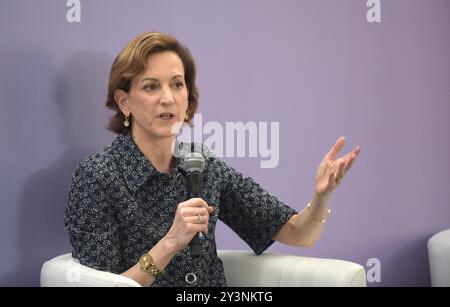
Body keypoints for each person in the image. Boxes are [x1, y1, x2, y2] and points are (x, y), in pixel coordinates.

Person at [64, 31, 361, 287]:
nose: (167, 98)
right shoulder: (97, 178)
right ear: (123, 101)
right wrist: (171, 242)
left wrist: (322, 196)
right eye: (151, 86)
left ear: (188, 98)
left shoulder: (200, 164)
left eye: (177, 84)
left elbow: (297, 233)